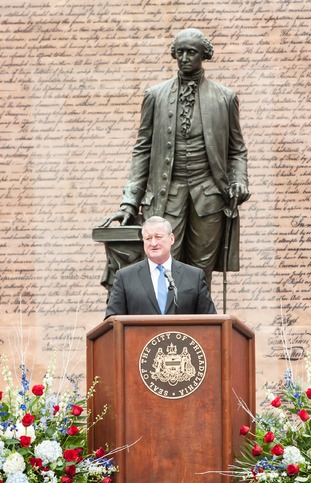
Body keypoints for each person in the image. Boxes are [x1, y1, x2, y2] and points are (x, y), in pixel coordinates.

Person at [100, 28, 249, 288]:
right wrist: (128, 203)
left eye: (191, 52)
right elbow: (142, 149)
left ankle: (198, 324)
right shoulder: (155, 96)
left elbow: (236, 151)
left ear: (204, 55)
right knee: (163, 264)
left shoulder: (225, 98)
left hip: (209, 197)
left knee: (200, 271)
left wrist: (239, 181)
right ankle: (165, 323)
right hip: (166, 195)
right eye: (179, 52)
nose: (184, 58)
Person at [104, 216, 216, 317]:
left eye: (158, 237)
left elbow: (210, 321)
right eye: (148, 238)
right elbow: (112, 321)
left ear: (171, 238)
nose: (153, 243)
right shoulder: (125, 277)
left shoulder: (194, 276)